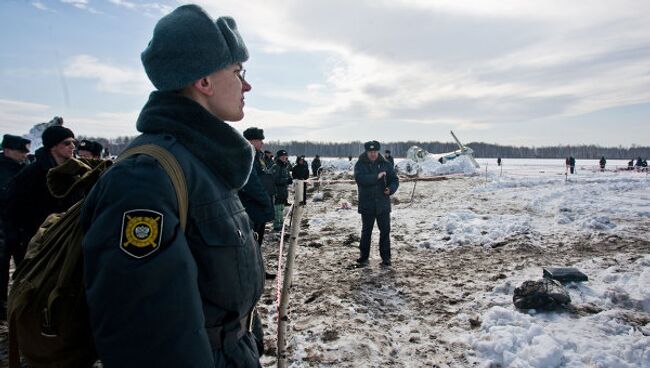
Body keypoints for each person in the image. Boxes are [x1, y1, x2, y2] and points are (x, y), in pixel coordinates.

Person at [80, 5, 263, 367]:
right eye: (237, 71)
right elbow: (148, 337)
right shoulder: (147, 176)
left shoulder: (202, 163)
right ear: (204, 81)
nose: (247, 85)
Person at [354, 140, 399, 267]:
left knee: (385, 231)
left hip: (383, 204)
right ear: (367, 152)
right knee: (366, 232)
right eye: (370, 152)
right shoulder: (360, 164)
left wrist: (390, 189)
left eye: (375, 152)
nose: (373, 154)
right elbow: (360, 179)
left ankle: (386, 258)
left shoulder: (385, 164)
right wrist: (377, 176)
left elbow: (394, 180)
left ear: (377, 152)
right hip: (367, 204)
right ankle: (363, 257)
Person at [0, 134, 31, 319]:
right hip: (3, 226)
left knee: (23, 267)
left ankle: (20, 303)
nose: (24, 155)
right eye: (20, 151)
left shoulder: (24, 168)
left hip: (19, 228)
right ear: (8, 150)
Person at [271, 149, 292, 231]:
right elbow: (275, 180)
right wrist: (286, 180)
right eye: (282, 157)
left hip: (283, 190)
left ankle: (281, 223)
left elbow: (287, 176)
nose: (284, 158)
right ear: (278, 157)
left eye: (285, 156)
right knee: (277, 208)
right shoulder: (276, 166)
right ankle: (277, 225)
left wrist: (289, 179)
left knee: (281, 208)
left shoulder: (285, 166)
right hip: (277, 191)